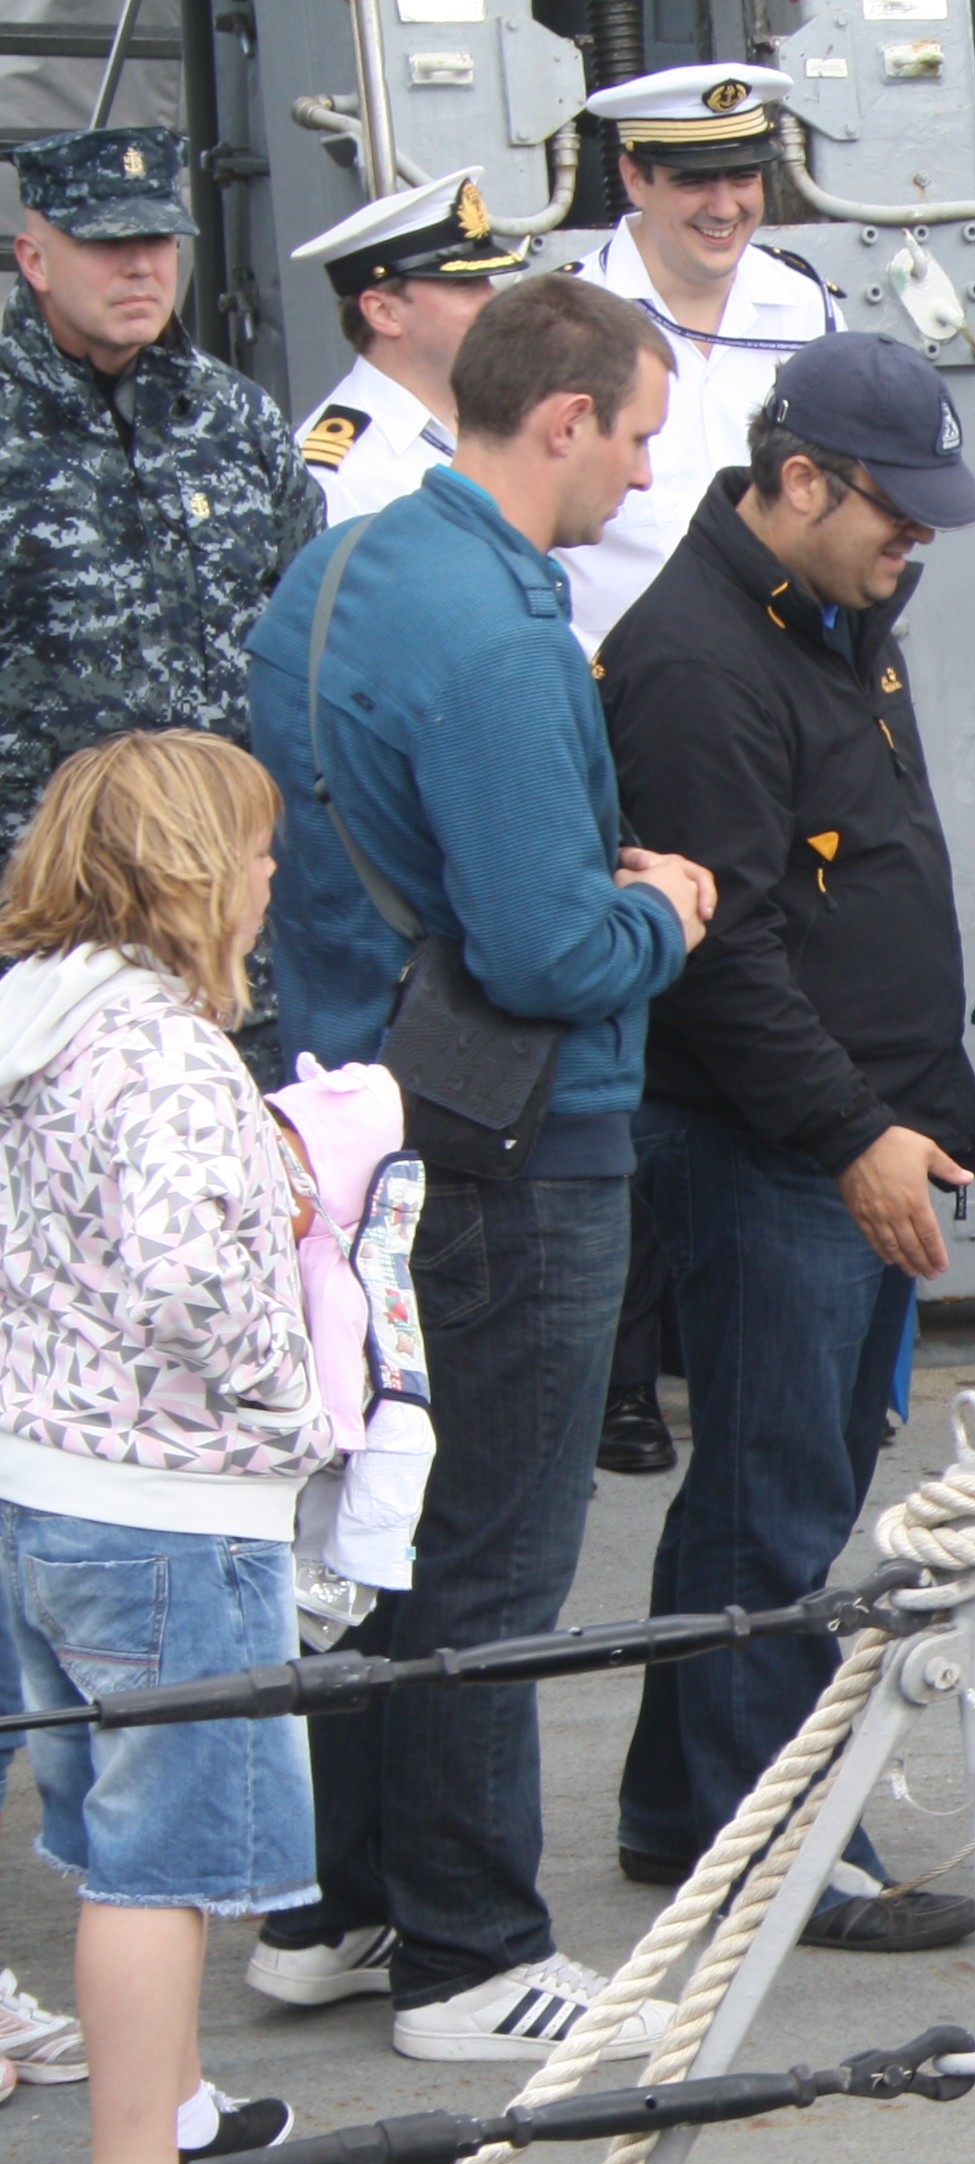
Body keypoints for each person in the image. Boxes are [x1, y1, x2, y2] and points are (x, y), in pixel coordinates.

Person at [244, 274, 718, 2061]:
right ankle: (468, 1952)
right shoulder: (505, 635)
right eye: (641, 435)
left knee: (376, 1530)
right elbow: (542, 954)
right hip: (517, 1145)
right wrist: (658, 910)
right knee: (492, 1557)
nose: (647, 477)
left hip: (363, 1123)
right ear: (564, 418)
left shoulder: (341, 566)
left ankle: (336, 1907)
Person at [597, 334, 975, 1951]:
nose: (916, 544)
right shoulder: (703, 663)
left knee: (784, 1482)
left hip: (857, 1128)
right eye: (892, 513)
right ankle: (758, 1846)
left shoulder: (832, 615)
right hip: (776, 1149)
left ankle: (673, 1809)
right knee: (775, 1501)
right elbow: (728, 951)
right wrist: (856, 1136)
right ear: (795, 480)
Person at [0, 731, 339, 2164]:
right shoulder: (168, 1052)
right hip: (165, 1512)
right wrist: (306, 1408)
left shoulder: (35, 1024)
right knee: (171, 1855)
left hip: (40, 1498)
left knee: (107, 1827)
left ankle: (176, 2096)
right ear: (198, 873)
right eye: (258, 852)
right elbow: (199, 1285)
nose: (276, 879)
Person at [0, 127, 320, 1082]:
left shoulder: (235, 417)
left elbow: (303, 628)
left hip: (228, 927)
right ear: (35, 258)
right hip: (46, 930)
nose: (141, 267)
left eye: (160, 242)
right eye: (107, 244)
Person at [553, 62, 838, 656]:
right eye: (693, 181)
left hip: (780, 680)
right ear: (635, 178)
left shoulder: (805, 305)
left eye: (743, 177)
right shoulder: (563, 323)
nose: (725, 206)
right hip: (622, 690)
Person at [288, 167, 525, 524]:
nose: (492, 299)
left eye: (488, 280)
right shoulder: (336, 478)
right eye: (464, 284)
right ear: (383, 312)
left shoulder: (499, 412)